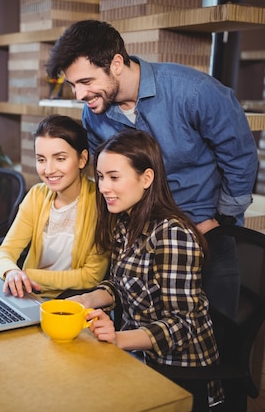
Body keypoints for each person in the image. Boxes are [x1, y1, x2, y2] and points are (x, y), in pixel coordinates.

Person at [46, 19, 258, 319]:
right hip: (140, 240)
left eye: (86, 82)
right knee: (144, 337)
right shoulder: (94, 115)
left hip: (204, 232)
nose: (79, 94)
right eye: (73, 85)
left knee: (211, 336)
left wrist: (221, 221)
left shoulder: (195, 92)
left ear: (116, 63)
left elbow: (240, 157)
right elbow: (106, 177)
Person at [70, 129, 219, 411]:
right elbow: (122, 283)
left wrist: (117, 339)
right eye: (100, 177)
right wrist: (83, 301)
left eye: (114, 177)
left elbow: (182, 325)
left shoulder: (173, 235)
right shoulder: (126, 221)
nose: (103, 187)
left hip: (178, 368)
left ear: (146, 178)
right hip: (136, 355)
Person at [0, 114, 109, 299]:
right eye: (41, 159)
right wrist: (11, 272)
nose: (48, 170)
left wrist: (28, 275)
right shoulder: (37, 195)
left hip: (72, 303)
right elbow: (5, 251)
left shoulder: (101, 201)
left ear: (82, 159)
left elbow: (91, 277)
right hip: (29, 295)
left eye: (60, 158)